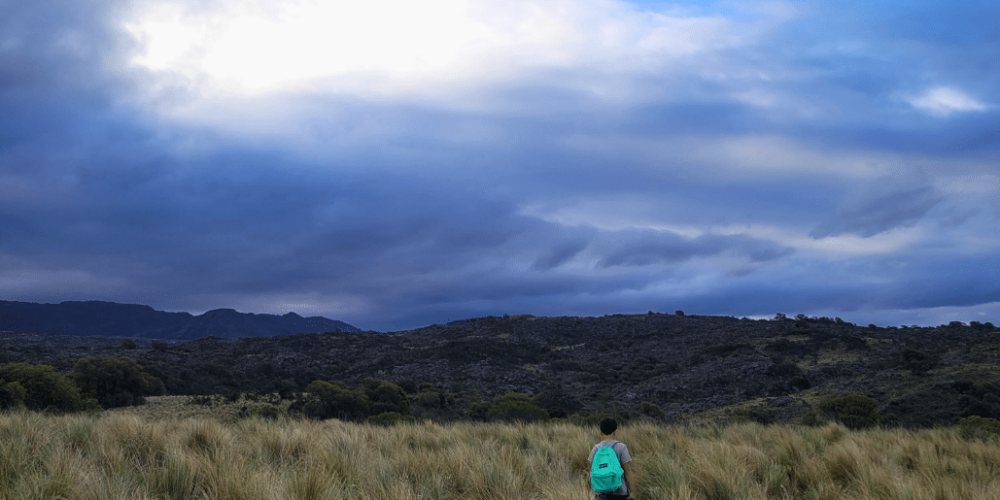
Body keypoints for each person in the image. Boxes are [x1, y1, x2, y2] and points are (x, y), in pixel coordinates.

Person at [587, 417, 634, 500]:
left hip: (600, 492)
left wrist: (587, 490)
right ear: (615, 432)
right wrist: (633, 491)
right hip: (620, 492)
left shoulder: (596, 448)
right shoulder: (621, 447)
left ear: (600, 432)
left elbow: (590, 472)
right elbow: (628, 471)